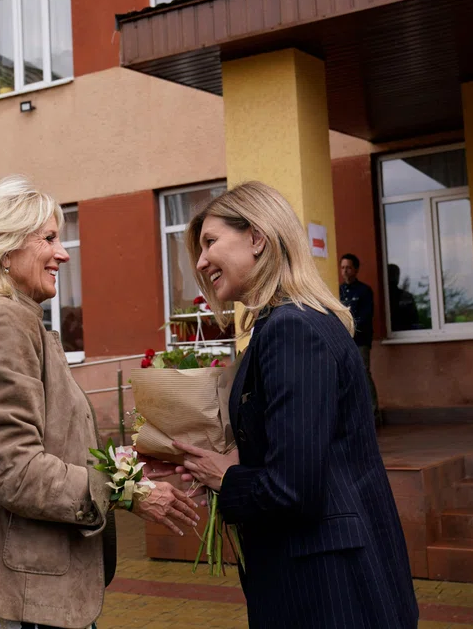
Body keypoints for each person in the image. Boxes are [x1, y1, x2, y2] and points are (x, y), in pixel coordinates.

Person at [0, 176, 199, 629]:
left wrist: (130, 469)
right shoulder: (2, 322)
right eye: (49, 238)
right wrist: (126, 490)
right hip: (26, 596)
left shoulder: (5, 319)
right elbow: (18, 472)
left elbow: (46, 443)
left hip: (23, 591)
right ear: (5, 249)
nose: (63, 253)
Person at [172, 181, 418, 629]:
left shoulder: (292, 329)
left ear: (257, 237)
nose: (201, 261)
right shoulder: (296, 323)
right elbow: (301, 454)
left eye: (210, 242)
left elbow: (292, 489)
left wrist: (225, 478)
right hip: (335, 582)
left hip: (327, 589)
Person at [339, 253, 380, 425]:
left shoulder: (364, 290)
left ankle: (373, 414)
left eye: (348, 267)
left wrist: (350, 329)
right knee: (344, 375)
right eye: (342, 268)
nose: (345, 271)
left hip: (360, 339)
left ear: (356, 269)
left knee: (363, 372)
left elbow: (365, 316)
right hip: (342, 339)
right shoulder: (339, 290)